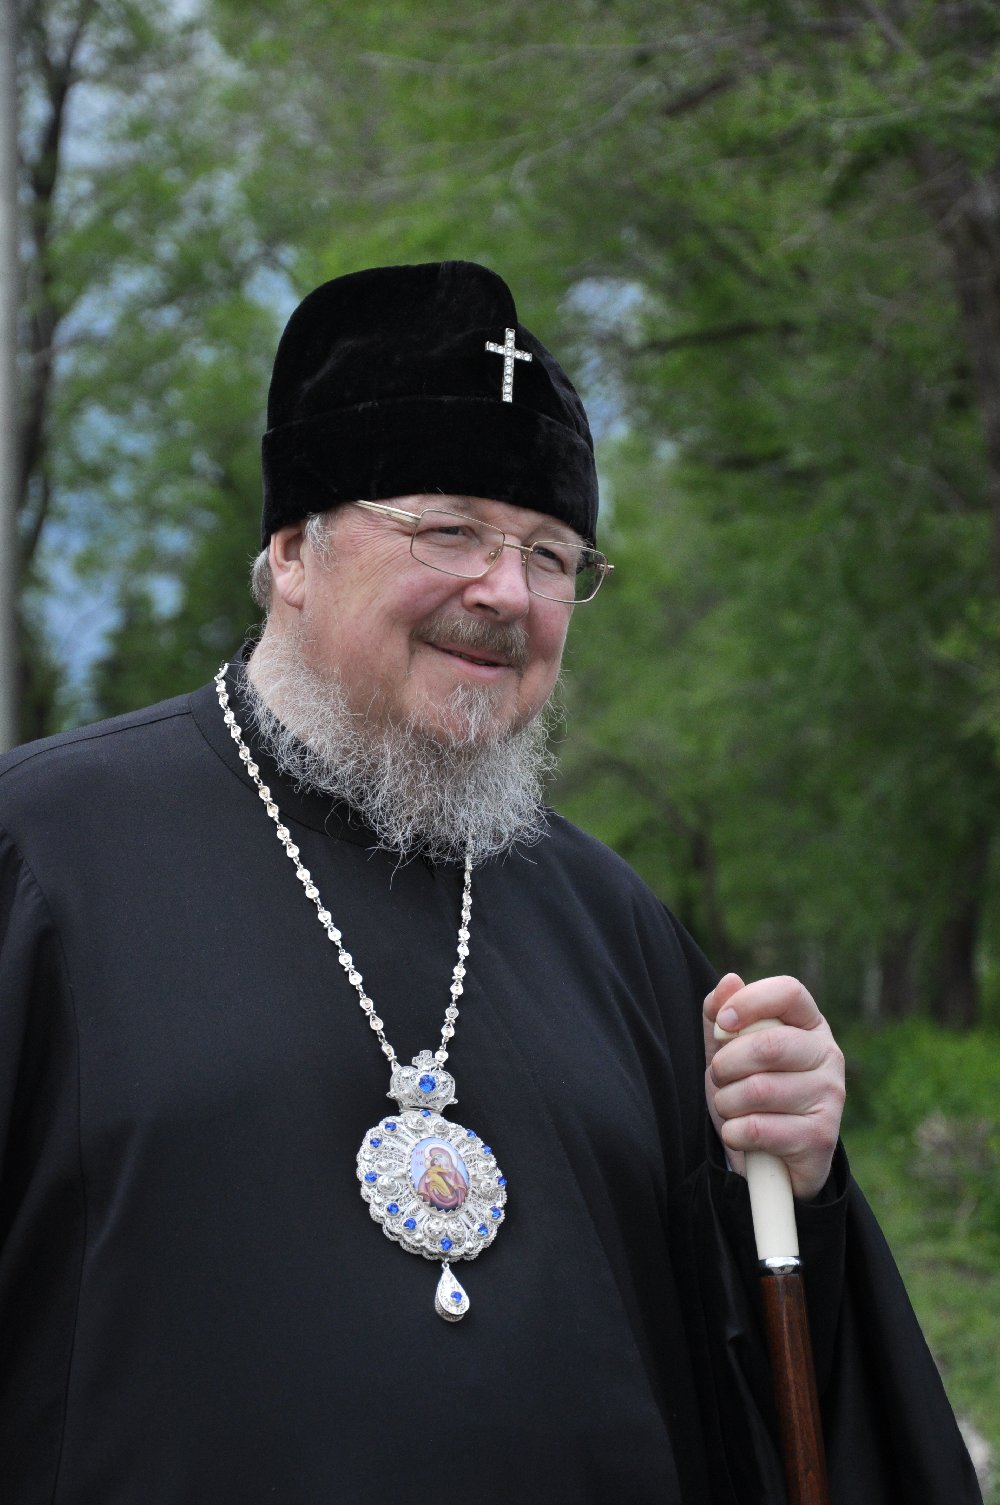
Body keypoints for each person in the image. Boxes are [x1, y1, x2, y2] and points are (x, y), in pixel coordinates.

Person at [0, 260, 982, 1504]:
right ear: (294, 548)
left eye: (551, 554)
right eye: (449, 528)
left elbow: (754, 1381)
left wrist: (794, 1171)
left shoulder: (615, 927)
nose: (505, 592)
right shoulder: (43, 855)